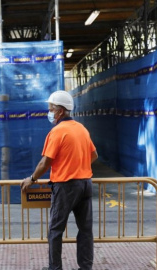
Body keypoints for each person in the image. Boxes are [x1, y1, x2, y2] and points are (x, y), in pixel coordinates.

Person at [20, 90, 98, 270]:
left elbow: (45, 162)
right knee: (85, 230)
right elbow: (94, 155)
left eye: (51, 109)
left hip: (66, 186)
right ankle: (85, 267)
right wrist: (78, 165)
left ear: (60, 111)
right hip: (85, 184)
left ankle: (55, 268)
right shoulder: (82, 129)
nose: (49, 112)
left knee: (55, 230)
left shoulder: (57, 132)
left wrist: (31, 179)